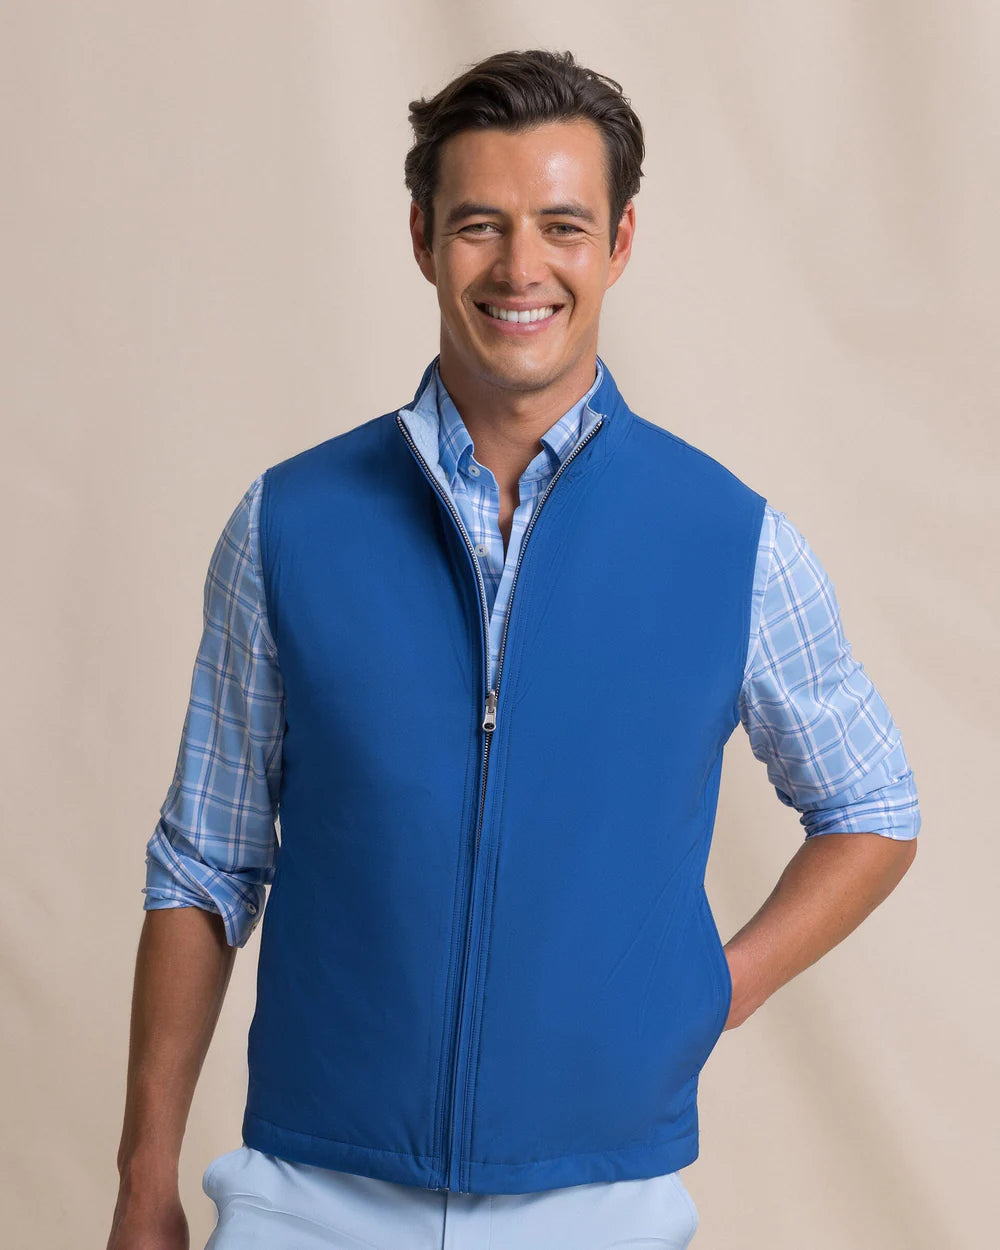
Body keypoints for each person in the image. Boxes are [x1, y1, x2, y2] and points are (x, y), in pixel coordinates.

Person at [107, 48, 920, 1250]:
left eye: (562, 225)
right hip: (311, 1193)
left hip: (600, 1200)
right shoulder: (288, 523)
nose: (520, 267)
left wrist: (712, 990)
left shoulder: (731, 540)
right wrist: (144, 1180)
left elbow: (873, 806)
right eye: (479, 224)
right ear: (423, 236)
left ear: (619, 242)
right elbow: (205, 864)